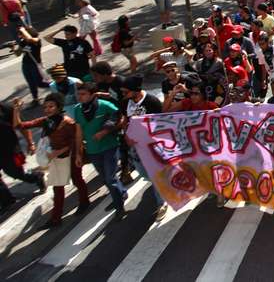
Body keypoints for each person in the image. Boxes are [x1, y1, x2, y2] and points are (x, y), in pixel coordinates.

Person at [13, 93, 90, 228]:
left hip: (71, 157)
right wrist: (16, 110)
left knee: (77, 180)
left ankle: (84, 202)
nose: (47, 109)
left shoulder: (67, 122)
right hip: (57, 159)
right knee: (57, 188)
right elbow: (19, 126)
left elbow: (77, 141)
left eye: (51, 106)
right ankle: (55, 219)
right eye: (45, 107)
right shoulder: (46, 121)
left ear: (59, 107)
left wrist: (61, 152)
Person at [73, 82, 127, 221]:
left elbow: (119, 117)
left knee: (111, 178)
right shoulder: (78, 110)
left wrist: (105, 131)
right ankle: (121, 193)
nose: (80, 97)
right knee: (106, 179)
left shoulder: (105, 105)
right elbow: (79, 133)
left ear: (92, 95)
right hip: (92, 151)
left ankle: (119, 207)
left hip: (109, 147)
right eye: (78, 94)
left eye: (83, 94)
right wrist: (78, 154)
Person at [119, 76, 167, 220]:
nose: (123, 95)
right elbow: (124, 119)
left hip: (152, 145)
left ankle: (162, 203)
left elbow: (161, 123)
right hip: (135, 146)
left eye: (126, 92)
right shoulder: (125, 103)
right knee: (142, 172)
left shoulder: (152, 102)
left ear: (136, 90)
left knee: (154, 174)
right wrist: (126, 134)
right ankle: (160, 181)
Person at [1, 99, 45, 214]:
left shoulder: (6, 109)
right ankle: (7, 200)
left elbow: (21, 126)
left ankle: (36, 177)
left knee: (15, 172)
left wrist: (30, 143)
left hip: (9, 150)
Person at [15, 26, 49, 105]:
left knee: (39, 83)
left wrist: (23, 30)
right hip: (25, 65)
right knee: (31, 83)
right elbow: (18, 53)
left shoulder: (37, 41)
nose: (21, 36)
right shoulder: (24, 42)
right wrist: (13, 47)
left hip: (35, 65)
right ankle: (35, 99)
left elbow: (30, 39)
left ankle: (56, 86)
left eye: (22, 34)